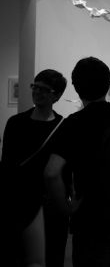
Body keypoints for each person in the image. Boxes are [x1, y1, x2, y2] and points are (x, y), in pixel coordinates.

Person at [44, 57, 110, 267]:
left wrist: (66, 209)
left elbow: (51, 172)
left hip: (90, 217)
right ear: (108, 85)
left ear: (76, 87)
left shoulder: (74, 123)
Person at [1, 69, 68, 267]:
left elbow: (64, 171)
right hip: (19, 202)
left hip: (50, 204)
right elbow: (7, 166)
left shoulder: (63, 127)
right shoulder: (15, 123)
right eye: (35, 87)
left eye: (44, 89)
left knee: (52, 256)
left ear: (56, 96)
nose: (37, 92)